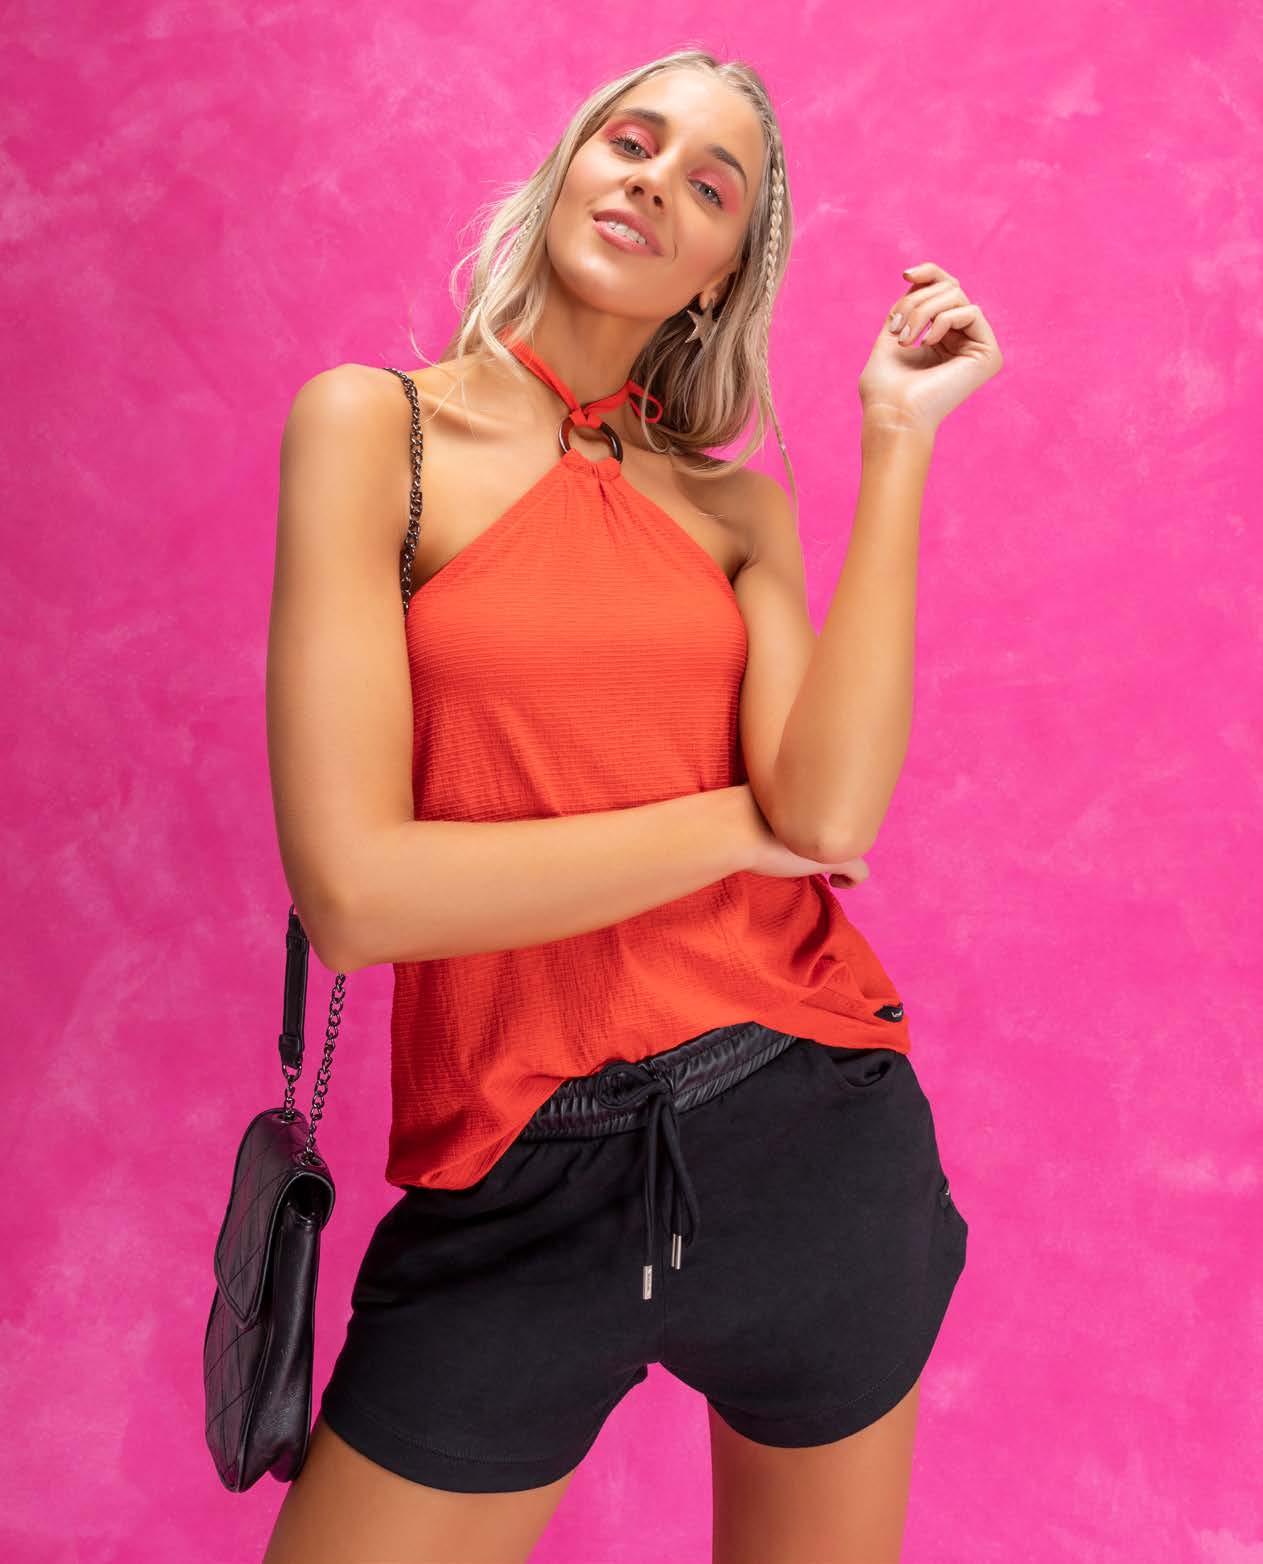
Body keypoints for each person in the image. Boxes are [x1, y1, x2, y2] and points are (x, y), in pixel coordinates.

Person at [261, 45, 1004, 1564]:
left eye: (710, 186)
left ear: (723, 274)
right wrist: (734, 830)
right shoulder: (374, 430)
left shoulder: (735, 506)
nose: (658, 181)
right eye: (635, 141)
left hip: (808, 1135)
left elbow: (831, 809)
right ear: (571, 169)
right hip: (514, 1168)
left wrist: (897, 437)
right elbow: (357, 897)